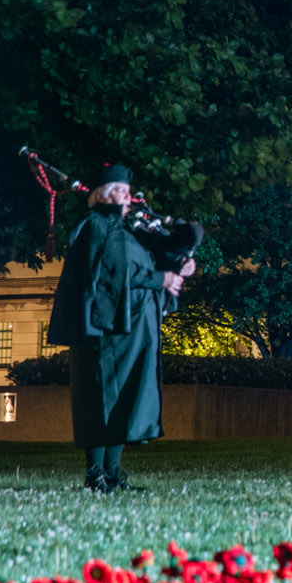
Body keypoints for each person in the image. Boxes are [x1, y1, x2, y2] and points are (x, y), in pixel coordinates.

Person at [46, 164, 193, 492]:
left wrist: (179, 266)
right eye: (116, 189)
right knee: (102, 399)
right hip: (106, 330)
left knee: (124, 399)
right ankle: (95, 472)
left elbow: (150, 263)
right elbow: (112, 274)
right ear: (99, 195)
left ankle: (113, 471)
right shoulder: (96, 225)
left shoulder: (132, 230)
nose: (125, 195)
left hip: (137, 326)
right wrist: (161, 279)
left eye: (126, 190)